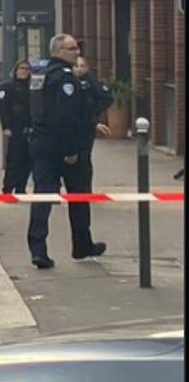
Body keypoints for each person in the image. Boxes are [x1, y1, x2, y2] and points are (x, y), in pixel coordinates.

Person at [26, 34, 106, 269]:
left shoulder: (40, 74)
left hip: (41, 143)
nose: (76, 53)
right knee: (78, 195)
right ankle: (81, 245)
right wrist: (71, 151)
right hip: (64, 146)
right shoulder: (65, 78)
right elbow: (67, 117)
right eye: (72, 49)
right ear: (59, 51)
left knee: (43, 197)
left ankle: (38, 249)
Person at [73, 54, 113, 192]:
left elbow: (106, 97)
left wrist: (94, 112)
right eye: (76, 66)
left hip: (86, 126)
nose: (78, 69)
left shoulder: (91, 82)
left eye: (82, 66)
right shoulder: (67, 81)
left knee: (84, 158)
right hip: (70, 126)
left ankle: (86, 189)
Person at [0, 59, 33, 194]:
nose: (24, 72)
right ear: (16, 70)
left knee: (27, 161)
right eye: (22, 69)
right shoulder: (8, 87)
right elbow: (3, 108)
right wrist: (6, 127)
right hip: (15, 129)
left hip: (29, 129)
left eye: (27, 69)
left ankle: (21, 188)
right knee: (14, 161)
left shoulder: (32, 88)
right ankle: (8, 188)